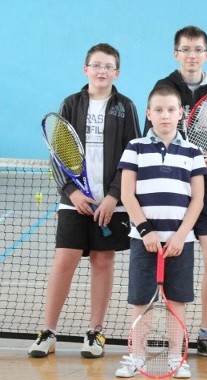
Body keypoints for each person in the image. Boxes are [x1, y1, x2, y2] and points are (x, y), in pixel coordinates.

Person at [28, 43, 141, 359]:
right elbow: (58, 154)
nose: (102, 71)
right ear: (86, 69)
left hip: (110, 203)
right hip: (74, 200)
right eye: (96, 65)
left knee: (103, 261)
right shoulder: (70, 104)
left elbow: (132, 155)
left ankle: (95, 332)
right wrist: (72, 192)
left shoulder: (126, 106)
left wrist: (114, 196)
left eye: (108, 66)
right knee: (64, 260)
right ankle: (48, 332)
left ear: (116, 72)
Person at [144, 25, 207, 360]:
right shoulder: (164, 89)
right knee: (167, 261)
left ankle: (205, 333)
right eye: (185, 49)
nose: (191, 55)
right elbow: (150, 138)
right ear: (176, 54)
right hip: (171, 193)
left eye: (198, 49)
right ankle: (171, 336)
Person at [115, 85, 207, 378]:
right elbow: (127, 195)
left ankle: (175, 359)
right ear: (148, 113)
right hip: (144, 242)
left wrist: (180, 236)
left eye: (171, 110)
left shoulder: (193, 153)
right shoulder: (135, 147)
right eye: (158, 110)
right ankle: (136, 357)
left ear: (181, 114)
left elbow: (198, 199)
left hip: (181, 242)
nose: (165, 116)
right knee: (141, 301)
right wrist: (146, 231)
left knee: (176, 302)